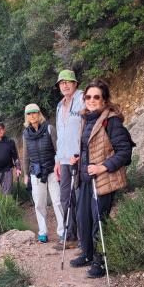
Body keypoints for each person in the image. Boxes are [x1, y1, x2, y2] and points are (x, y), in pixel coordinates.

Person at [69, 79, 134, 278]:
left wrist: (101, 167)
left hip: (104, 179)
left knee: (99, 220)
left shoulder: (111, 120)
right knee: (83, 218)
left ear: (104, 99)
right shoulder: (87, 119)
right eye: (88, 97)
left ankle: (101, 261)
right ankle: (88, 254)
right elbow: (90, 148)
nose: (91, 100)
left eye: (96, 97)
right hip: (87, 178)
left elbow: (125, 152)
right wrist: (79, 160)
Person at [22, 104, 64, 244]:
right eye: (29, 114)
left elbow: (58, 148)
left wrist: (59, 165)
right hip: (36, 172)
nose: (32, 115)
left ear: (39, 113)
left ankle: (62, 231)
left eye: (34, 112)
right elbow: (26, 155)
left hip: (52, 170)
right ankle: (43, 232)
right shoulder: (25, 134)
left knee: (57, 201)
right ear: (26, 116)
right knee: (39, 203)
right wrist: (26, 174)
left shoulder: (49, 128)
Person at [53, 69, 84, 250]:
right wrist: (57, 160)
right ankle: (70, 236)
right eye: (61, 82)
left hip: (78, 158)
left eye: (68, 81)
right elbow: (60, 136)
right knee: (65, 198)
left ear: (75, 83)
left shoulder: (81, 99)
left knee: (79, 198)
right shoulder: (59, 106)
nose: (64, 85)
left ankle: (83, 237)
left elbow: (86, 127)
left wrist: (81, 154)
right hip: (64, 160)